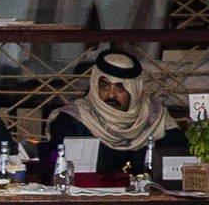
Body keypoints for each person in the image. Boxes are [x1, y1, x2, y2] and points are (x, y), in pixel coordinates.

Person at [49, 49, 187, 178]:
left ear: (134, 89)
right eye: (104, 86)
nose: (111, 95)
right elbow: (55, 169)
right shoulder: (73, 119)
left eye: (120, 87)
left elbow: (179, 165)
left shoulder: (157, 118)